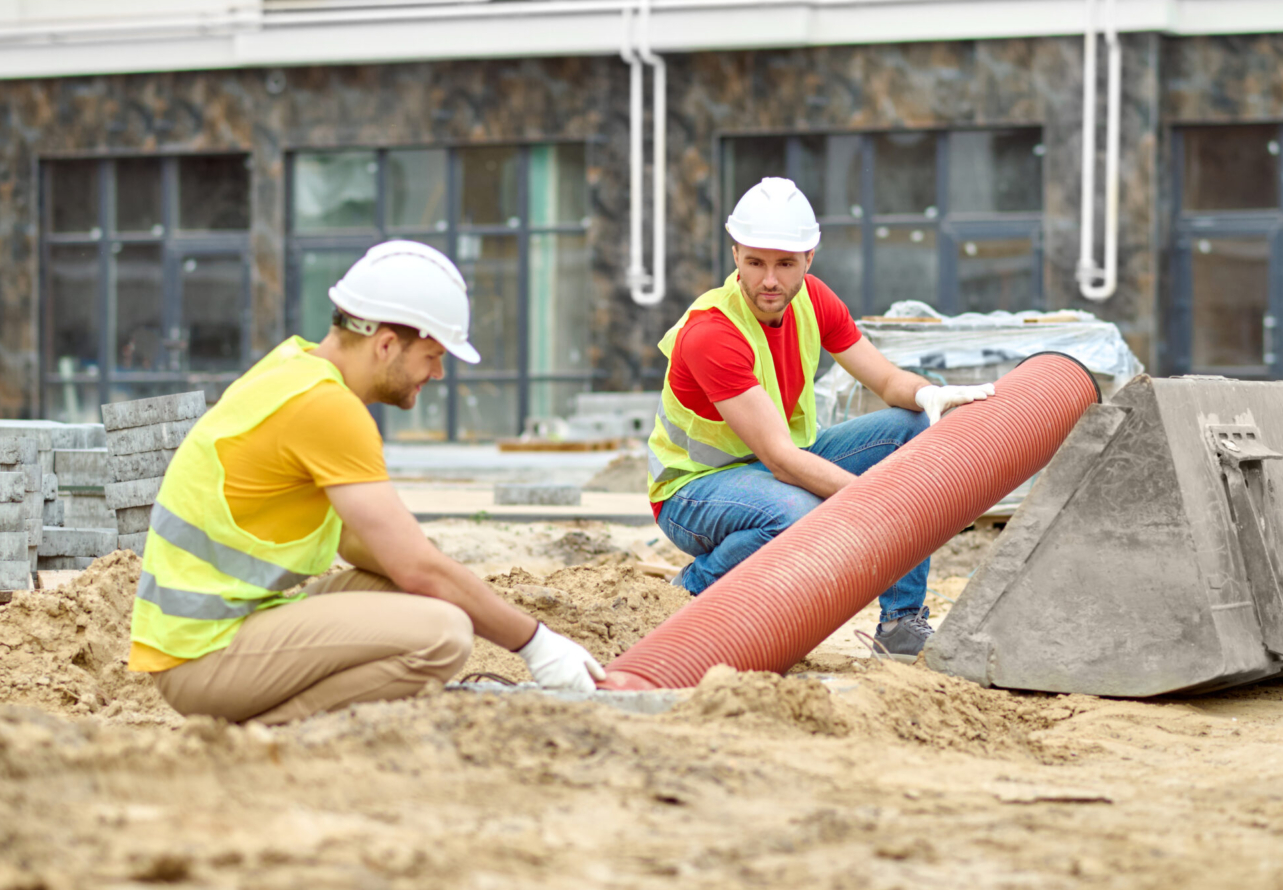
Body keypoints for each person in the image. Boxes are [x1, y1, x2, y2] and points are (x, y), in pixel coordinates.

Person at [128, 240, 605, 724]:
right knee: (443, 634)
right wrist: (538, 644)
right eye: (433, 355)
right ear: (385, 345)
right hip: (203, 657)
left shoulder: (292, 368)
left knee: (420, 594)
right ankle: (269, 729)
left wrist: (435, 574)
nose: (438, 373)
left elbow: (368, 548)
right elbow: (420, 568)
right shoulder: (327, 408)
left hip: (216, 634)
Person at [648, 177, 994, 660]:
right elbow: (782, 460)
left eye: (785, 264)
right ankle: (692, 588)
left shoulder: (814, 299)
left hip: (778, 464)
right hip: (695, 490)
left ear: (809, 258)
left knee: (913, 429)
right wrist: (881, 502)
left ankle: (900, 625)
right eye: (755, 262)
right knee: (800, 516)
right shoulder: (712, 332)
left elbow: (887, 382)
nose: (769, 280)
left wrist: (928, 393)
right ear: (735, 256)